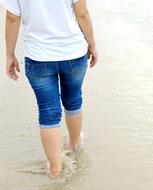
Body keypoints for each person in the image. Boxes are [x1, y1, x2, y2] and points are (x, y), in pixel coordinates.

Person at [1, 0, 98, 177]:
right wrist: (92, 44)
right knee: (73, 99)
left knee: (48, 112)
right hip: (73, 52)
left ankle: (55, 169)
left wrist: (9, 54)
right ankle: (75, 145)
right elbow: (82, 13)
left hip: (39, 56)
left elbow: (12, 17)